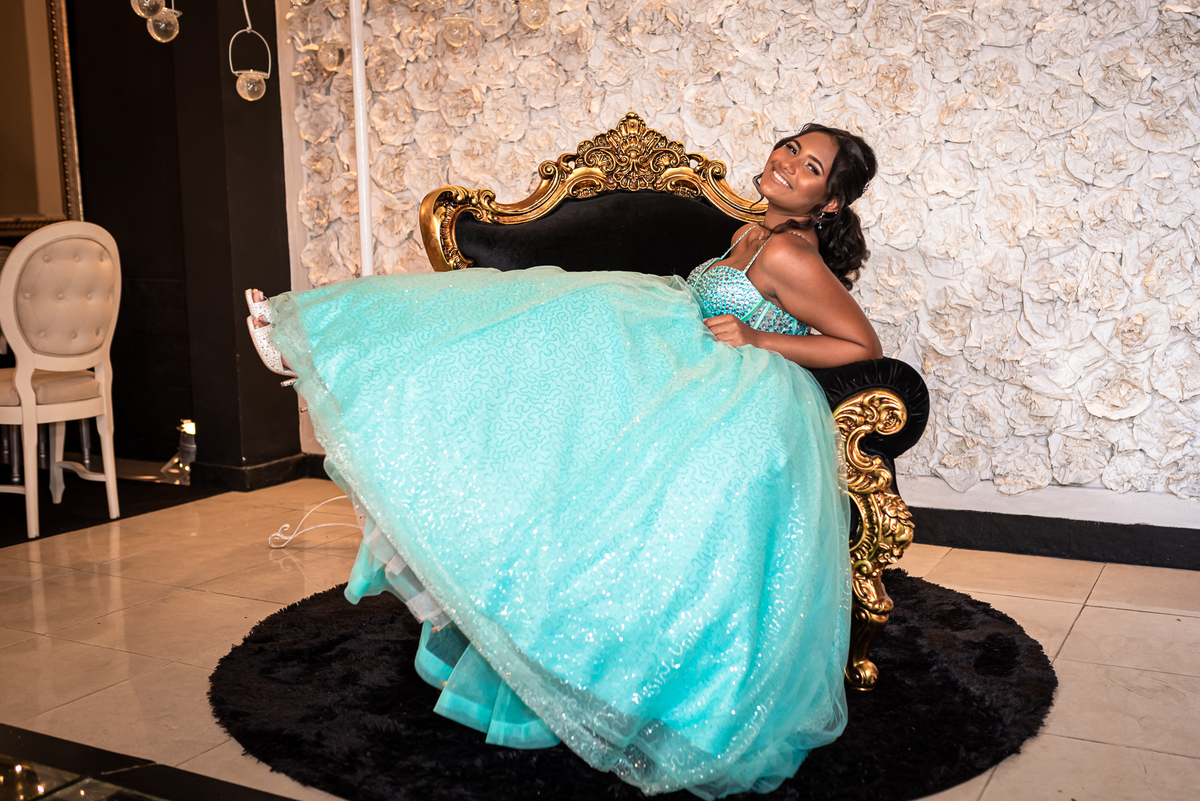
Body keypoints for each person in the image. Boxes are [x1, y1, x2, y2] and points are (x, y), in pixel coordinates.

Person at [246, 124, 881, 799]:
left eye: (810, 167)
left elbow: (860, 344)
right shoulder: (754, 232)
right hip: (687, 356)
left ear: (828, 202)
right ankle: (330, 342)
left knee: (566, 332)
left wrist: (756, 338)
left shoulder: (788, 252)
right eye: (791, 148)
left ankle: (319, 340)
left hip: (732, 393)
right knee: (542, 324)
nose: (788, 163)